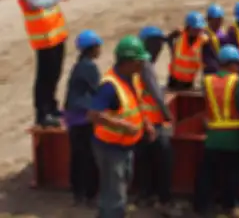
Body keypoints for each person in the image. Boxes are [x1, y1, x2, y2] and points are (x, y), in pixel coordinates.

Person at [88, 35, 155, 218]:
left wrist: (146, 123)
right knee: (114, 191)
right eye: (140, 62)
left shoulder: (131, 78)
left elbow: (135, 104)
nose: (143, 66)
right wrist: (122, 125)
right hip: (110, 147)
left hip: (125, 145)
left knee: (120, 186)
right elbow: (93, 115)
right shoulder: (109, 86)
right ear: (129, 62)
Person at [18, 0, 81, 126]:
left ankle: (52, 107)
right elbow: (45, 3)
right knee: (44, 78)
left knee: (54, 75)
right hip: (44, 41)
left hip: (56, 37)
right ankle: (42, 113)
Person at [195, 45, 239, 217]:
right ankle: (228, 205)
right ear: (232, 64)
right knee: (232, 174)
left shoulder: (207, 81)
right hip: (234, 137)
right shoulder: (238, 82)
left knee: (208, 173)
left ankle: (203, 205)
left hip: (213, 137)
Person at [136, 26, 179, 216]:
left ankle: (145, 195)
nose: (159, 47)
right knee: (164, 162)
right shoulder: (145, 65)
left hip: (141, 123)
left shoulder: (136, 62)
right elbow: (156, 94)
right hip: (153, 123)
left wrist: (169, 39)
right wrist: (167, 114)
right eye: (157, 43)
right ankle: (164, 199)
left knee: (145, 163)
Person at [64, 29, 102, 206]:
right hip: (84, 118)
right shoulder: (90, 67)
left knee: (77, 156)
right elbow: (97, 92)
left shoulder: (78, 65)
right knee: (90, 157)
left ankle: (77, 194)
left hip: (72, 117)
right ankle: (90, 195)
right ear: (92, 48)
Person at [166, 11, 206, 90]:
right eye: (195, 28)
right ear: (188, 27)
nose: (197, 31)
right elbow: (168, 38)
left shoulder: (203, 40)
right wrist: (172, 50)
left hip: (189, 82)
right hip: (174, 80)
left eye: (199, 28)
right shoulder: (179, 35)